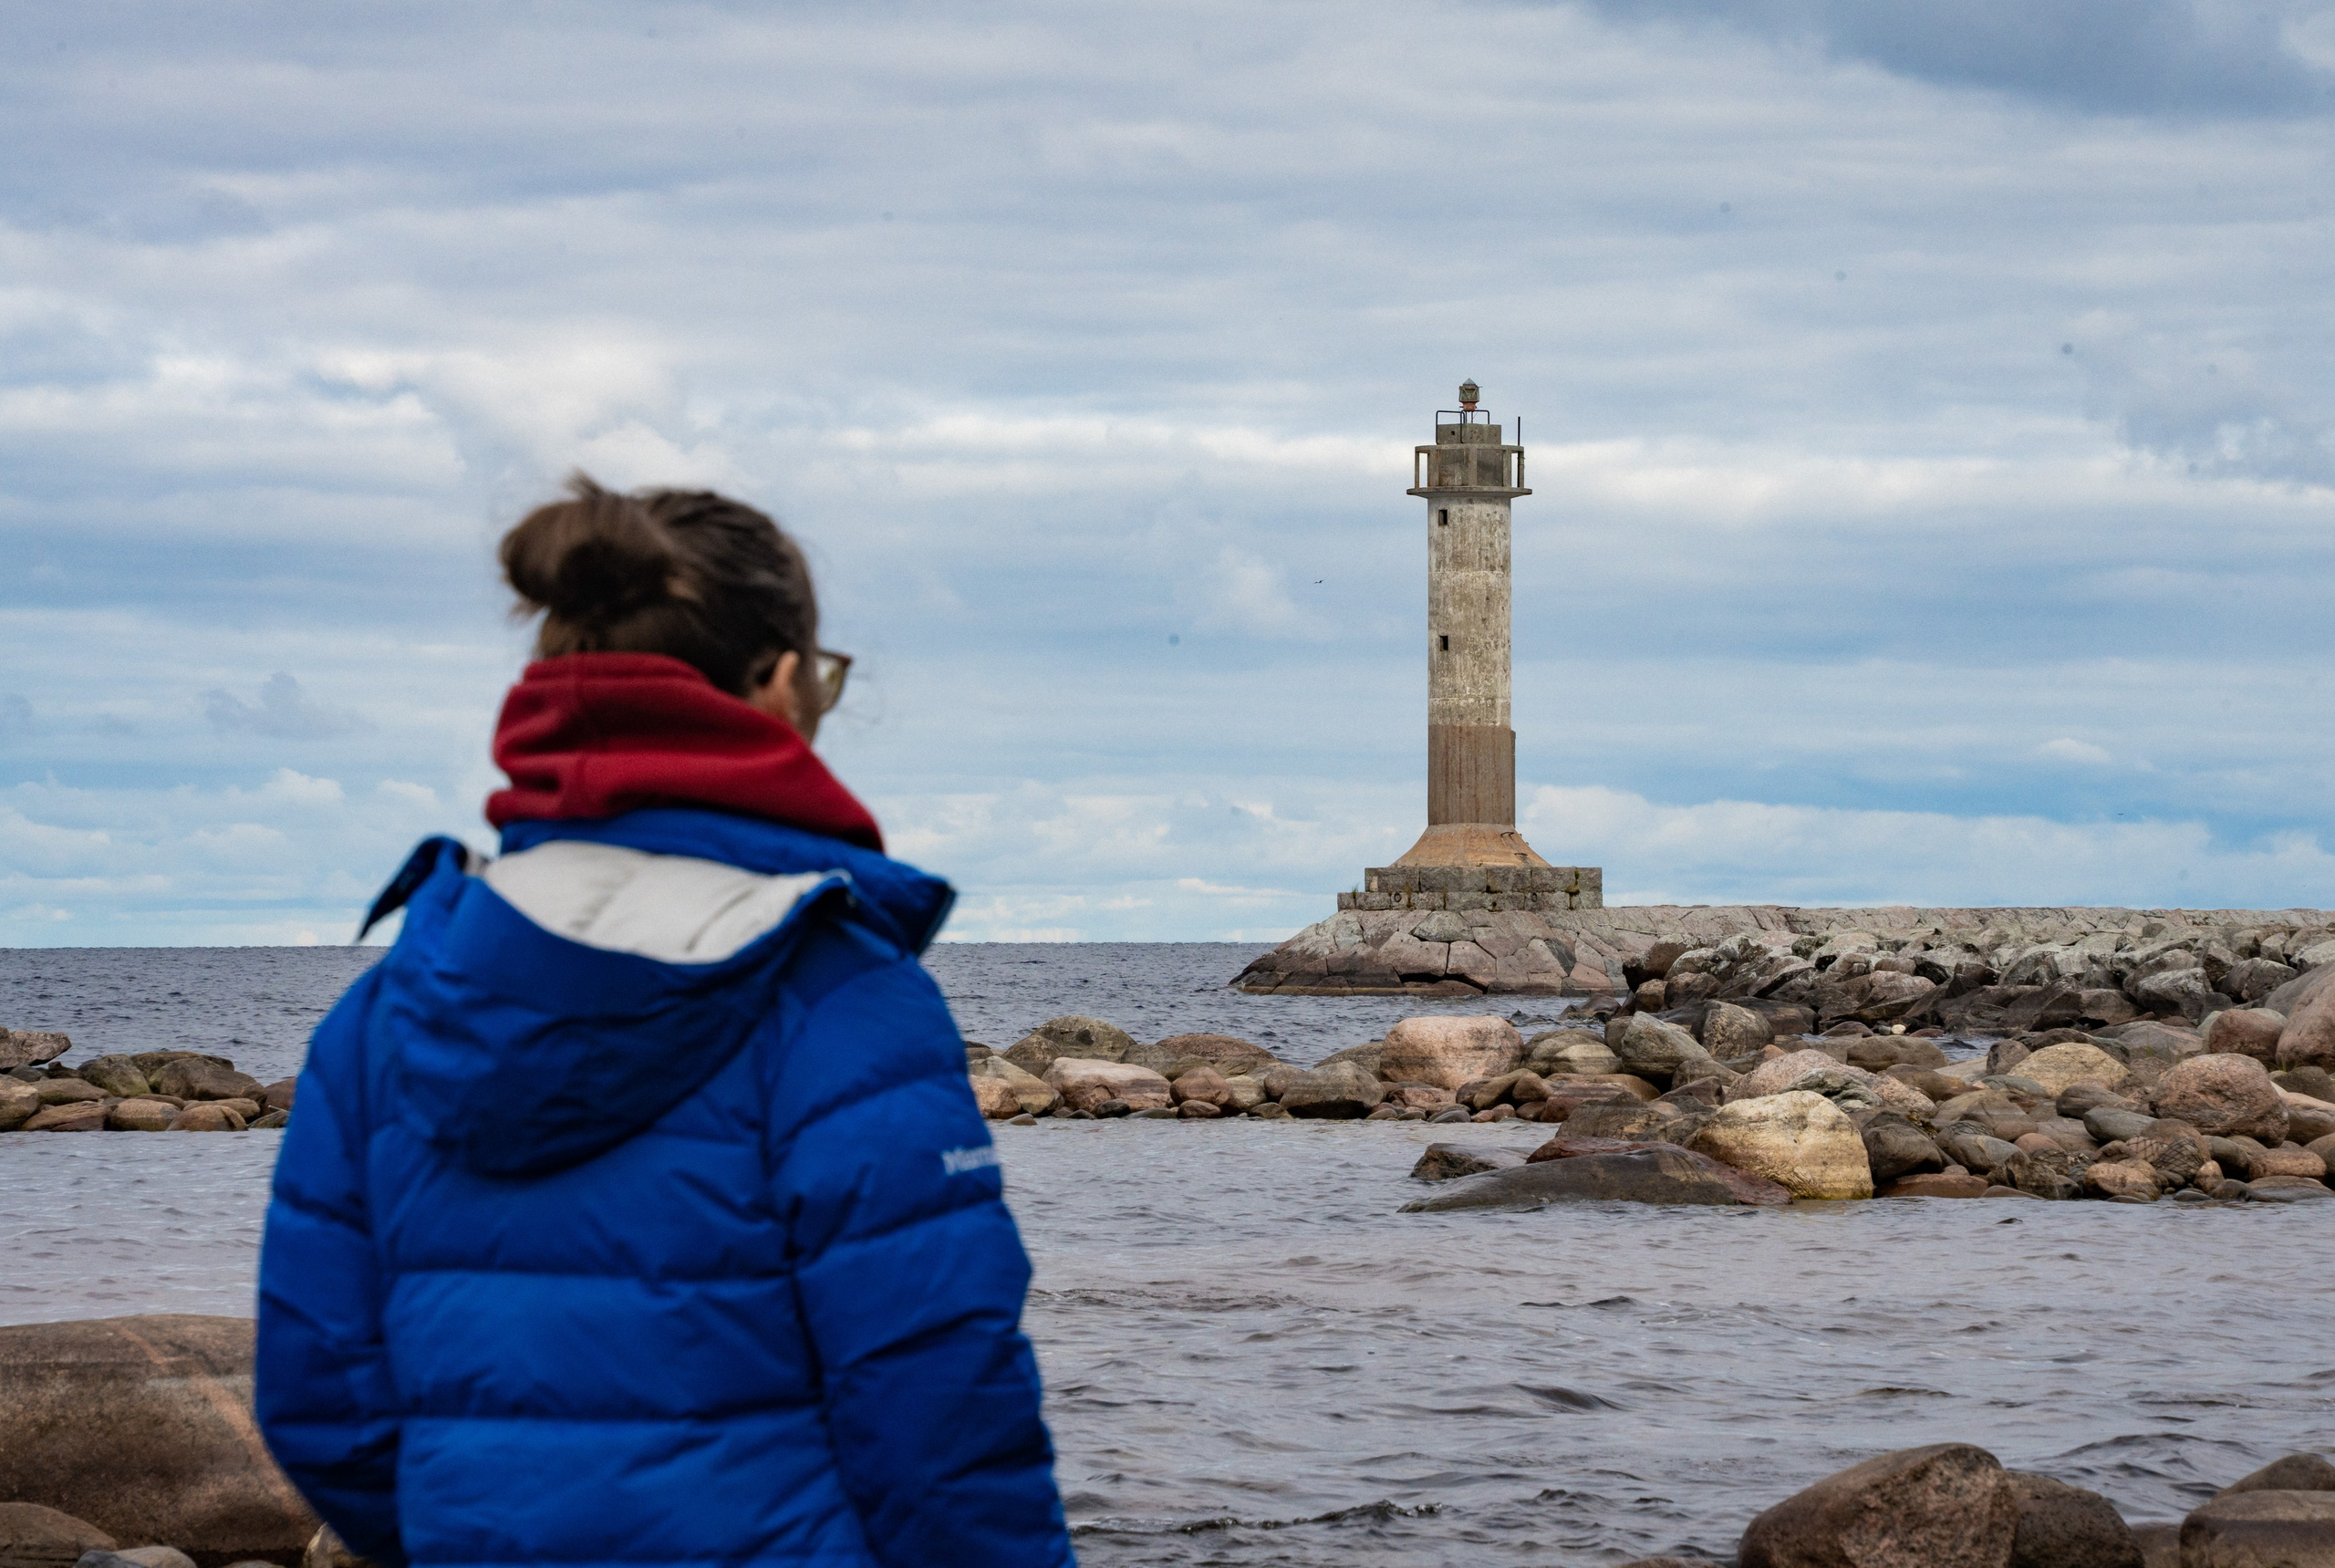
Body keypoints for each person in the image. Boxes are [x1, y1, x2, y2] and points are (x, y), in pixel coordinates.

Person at [253, 476, 1074, 1568]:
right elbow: (941, 1416)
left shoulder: (387, 1011)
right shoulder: (834, 996)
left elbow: (321, 1404)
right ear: (782, 683)